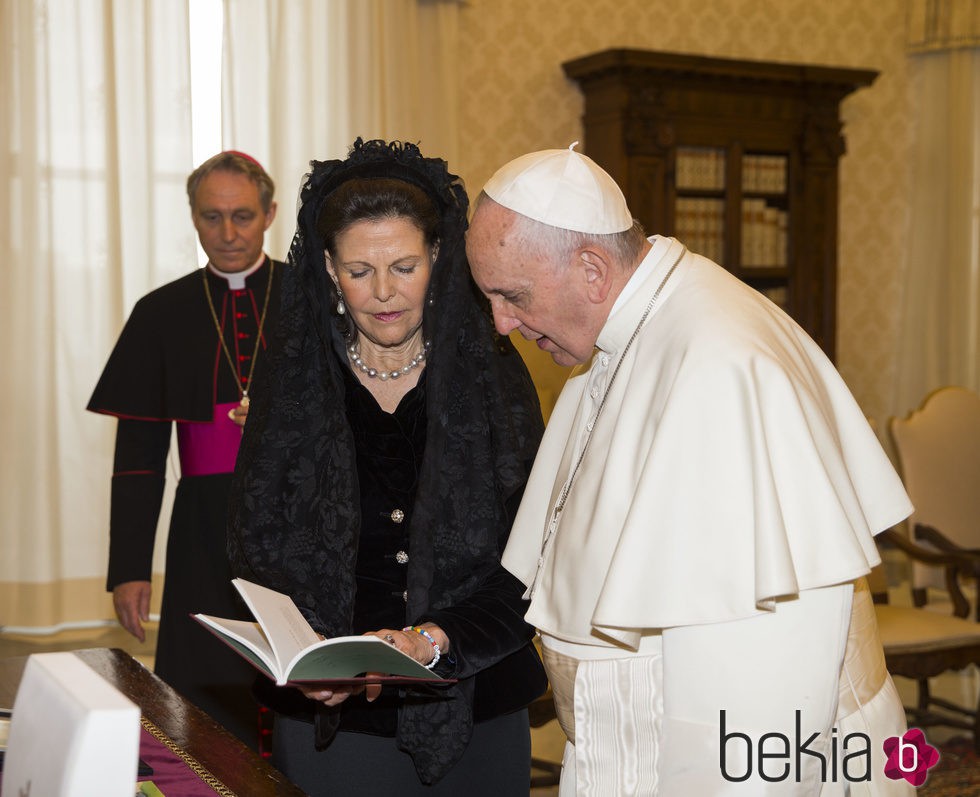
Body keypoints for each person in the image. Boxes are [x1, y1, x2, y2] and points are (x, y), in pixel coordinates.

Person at [465, 144, 916, 795]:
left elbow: (762, 704)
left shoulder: (722, 369)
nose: (502, 324)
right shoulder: (632, 332)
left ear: (592, 269)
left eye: (513, 296)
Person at [227, 138, 548, 794]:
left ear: (437, 256)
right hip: (337, 719)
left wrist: (440, 637)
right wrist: (309, 650)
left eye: (403, 266)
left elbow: (535, 549)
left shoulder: (492, 373)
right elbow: (256, 543)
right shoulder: (295, 378)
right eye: (358, 270)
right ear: (325, 267)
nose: (383, 294)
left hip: (480, 700)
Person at [88, 151, 282, 747]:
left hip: (303, 514)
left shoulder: (310, 298)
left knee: (297, 683)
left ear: (270, 214)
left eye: (243, 216)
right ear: (193, 218)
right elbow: (139, 456)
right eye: (211, 217)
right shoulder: (162, 312)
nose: (227, 234)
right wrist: (128, 570)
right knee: (203, 692)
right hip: (203, 527)